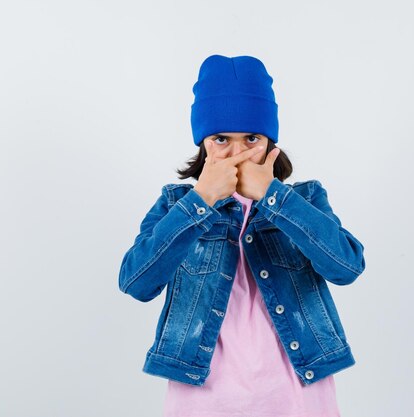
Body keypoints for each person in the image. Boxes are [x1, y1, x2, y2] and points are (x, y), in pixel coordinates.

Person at [118, 54, 366, 417]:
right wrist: (201, 201)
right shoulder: (177, 204)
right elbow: (136, 282)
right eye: (221, 139)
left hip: (297, 393)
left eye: (251, 138)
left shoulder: (304, 200)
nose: (237, 153)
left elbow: (346, 267)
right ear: (203, 143)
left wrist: (274, 197)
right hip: (204, 397)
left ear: (270, 141)